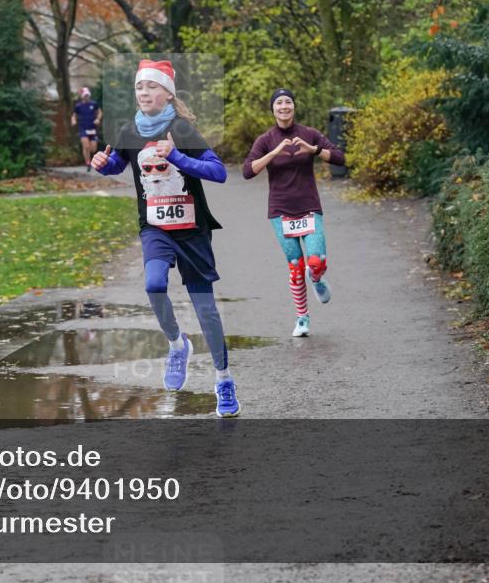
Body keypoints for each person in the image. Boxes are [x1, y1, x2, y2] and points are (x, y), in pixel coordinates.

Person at [92, 59, 240, 417]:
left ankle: (224, 380)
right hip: (155, 228)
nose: (143, 93)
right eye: (139, 88)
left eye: (151, 87)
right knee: (154, 285)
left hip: (192, 232)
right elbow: (120, 163)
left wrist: (176, 156)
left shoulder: (182, 130)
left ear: (167, 93)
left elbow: (218, 172)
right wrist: (103, 163)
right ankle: (177, 344)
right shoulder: (130, 130)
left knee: (206, 311)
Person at [242, 88, 345, 337]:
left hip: (309, 207)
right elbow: (247, 171)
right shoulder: (266, 139)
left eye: (288, 101)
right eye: (279, 103)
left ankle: (318, 279)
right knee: (295, 266)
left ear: (294, 107)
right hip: (280, 211)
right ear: (273, 109)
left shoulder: (309, 134)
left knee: (315, 261)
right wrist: (273, 153)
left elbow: (341, 158)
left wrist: (315, 150)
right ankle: (302, 319)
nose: (284, 106)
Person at [72, 87, 102, 172]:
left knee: (93, 149)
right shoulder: (78, 106)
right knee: (86, 146)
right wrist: (74, 120)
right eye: (85, 95)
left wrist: (98, 119)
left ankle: (90, 160)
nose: (87, 97)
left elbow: (99, 112)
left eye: (88, 95)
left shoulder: (94, 104)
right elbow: (74, 115)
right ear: (82, 96)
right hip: (83, 129)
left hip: (92, 129)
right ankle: (88, 162)